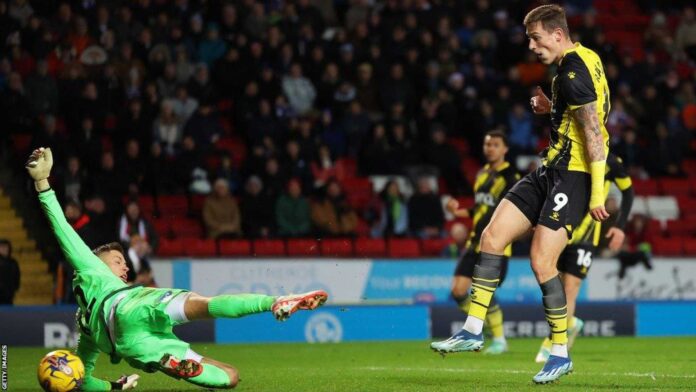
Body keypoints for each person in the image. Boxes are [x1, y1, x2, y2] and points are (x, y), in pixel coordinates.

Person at [26, 147, 328, 390]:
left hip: (131, 343)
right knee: (204, 305)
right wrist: (43, 184)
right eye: (118, 260)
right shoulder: (89, 266)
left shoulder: (85, 327)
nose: (125, 266)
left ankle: (178, 365)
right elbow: (63, 229)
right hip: (131, 306)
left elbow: (81, 377)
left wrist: (114, 389)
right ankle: (274, 302)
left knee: (231, 377)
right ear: (98, 259)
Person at [430, 5, 611, 384]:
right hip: (550, 168)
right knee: (491, 236)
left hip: (574, 177)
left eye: (536, 37)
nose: (531, 46)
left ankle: (560, 352)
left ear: (558, 35)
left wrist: (596, 196)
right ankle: (473, 328)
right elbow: (585, 114)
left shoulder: (574, 73)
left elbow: (595, 134)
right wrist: (553, 107)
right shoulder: (582, 58)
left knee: (542, 261)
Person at [534, 153, 634, 362]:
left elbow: (628, 191)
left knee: (570, 290)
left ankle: (551, 342)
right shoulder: (565, 154)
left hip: (586, 237)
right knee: (555, 288)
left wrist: (619, 227)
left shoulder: (611, 162)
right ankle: (569, 324)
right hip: (558, 231)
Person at [434, 130, 520, 355]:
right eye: (487, 144)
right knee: (458, 291)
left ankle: (500, 339)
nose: (490, 148)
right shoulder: (482, 174)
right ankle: (480, 327)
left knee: (484, 292)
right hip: (474, 242)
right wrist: (457, 212)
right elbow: (480, 209)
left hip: (497, 245)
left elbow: (514, 211)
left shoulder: (511, 177)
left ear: (505, 149)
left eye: (495, 144)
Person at [0, 239, 20, 305]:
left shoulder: (13, 262)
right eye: (1, 247)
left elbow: (17, 276)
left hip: (9, 293)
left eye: (5, 247)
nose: (3, 249)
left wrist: (16, 287)